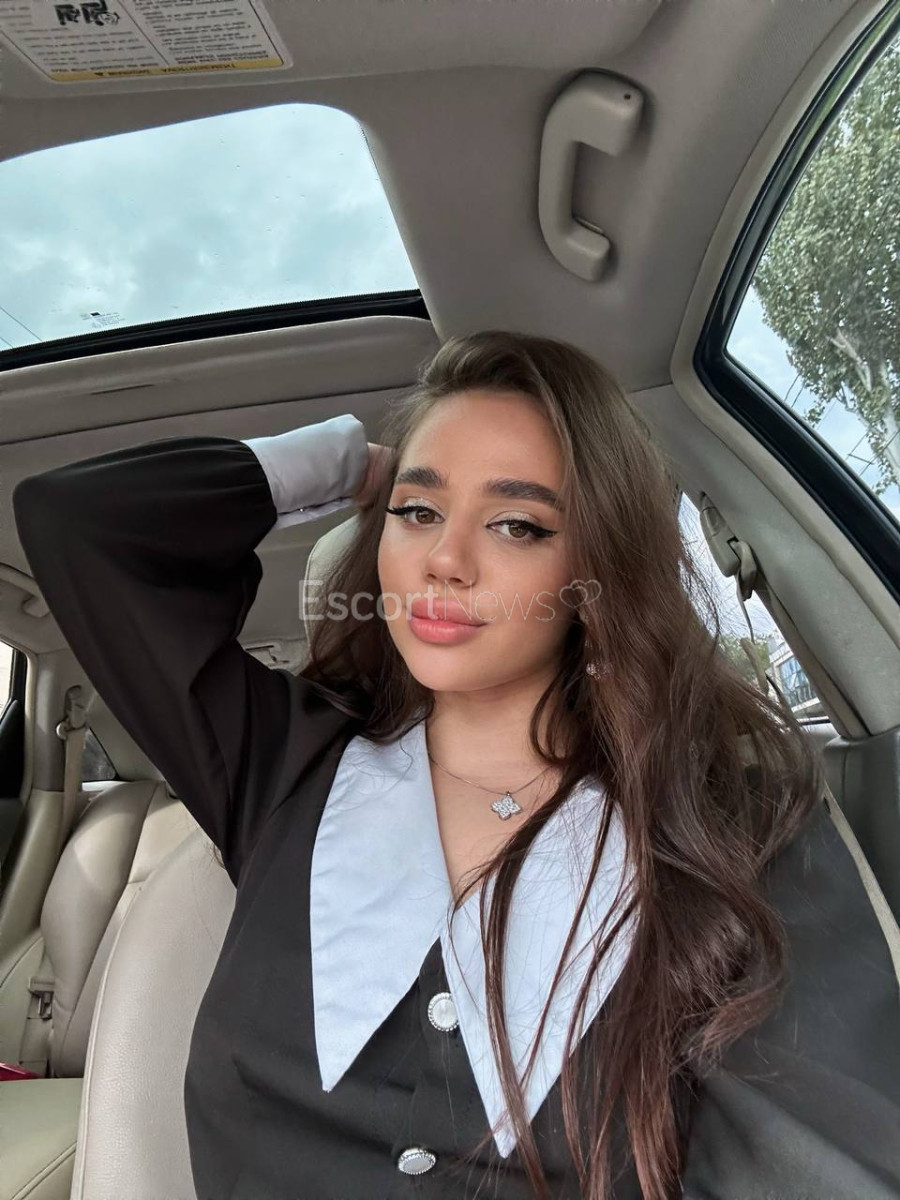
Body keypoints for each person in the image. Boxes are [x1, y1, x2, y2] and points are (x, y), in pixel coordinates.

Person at [12, 330, 900, 1200]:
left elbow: (823, 1167)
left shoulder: (728, 818)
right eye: (419, 512)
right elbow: (79, 525)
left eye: (517, 524)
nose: (445, 560)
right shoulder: (281, 759)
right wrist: (354, 469)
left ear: (594, 571)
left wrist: (414, 489)